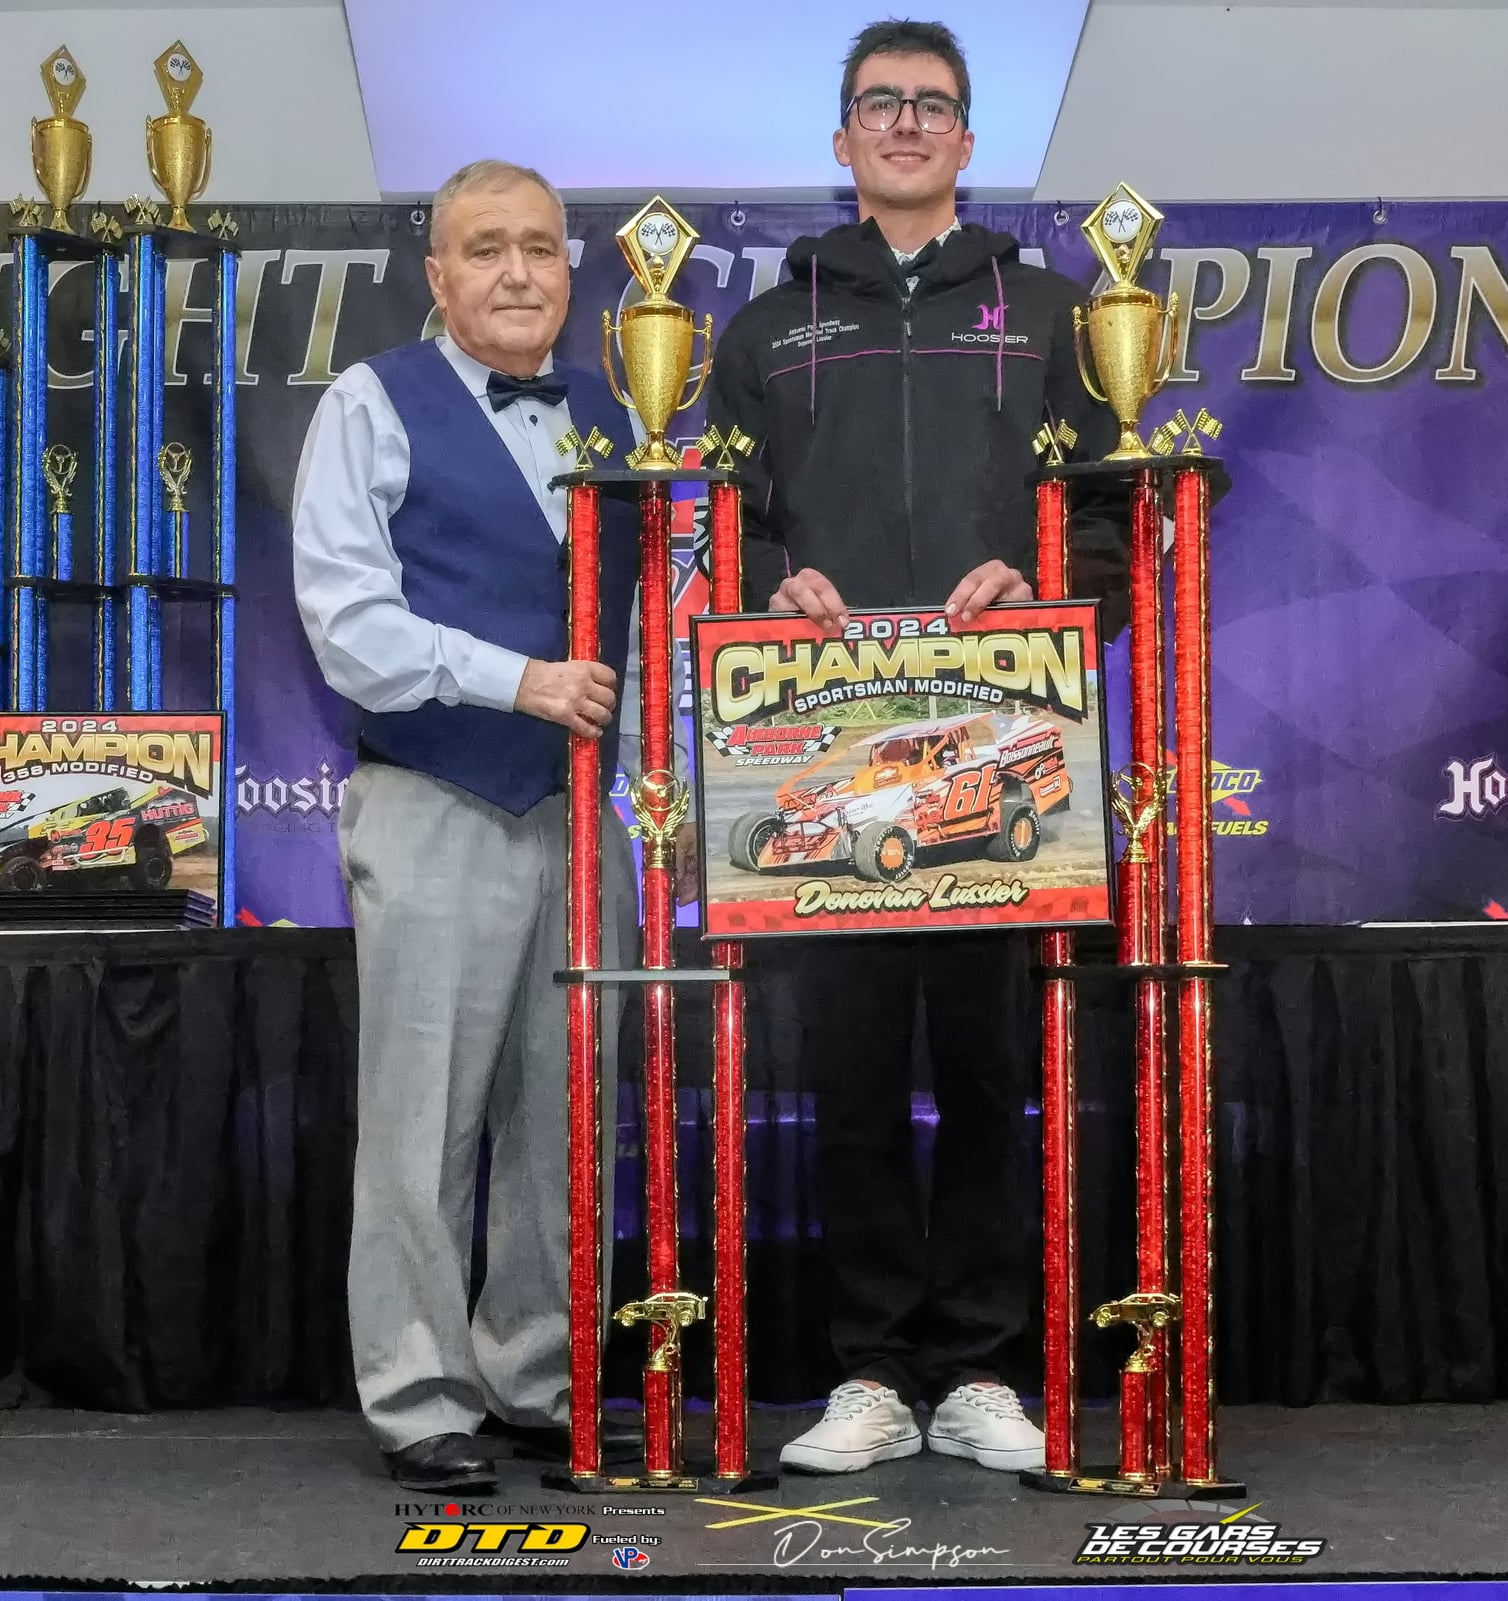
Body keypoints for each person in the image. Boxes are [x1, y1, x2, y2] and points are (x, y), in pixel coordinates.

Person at [706, 19, 1126, 1475]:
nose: (903, 124)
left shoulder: (1059, 311)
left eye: (930, 105)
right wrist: (766, 586)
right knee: (859, 1075)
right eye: (877, 105)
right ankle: (876, 1370)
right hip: (831, 766)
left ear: (965, 139)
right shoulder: (763, 331)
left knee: (997, 1067)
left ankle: (986, 1369)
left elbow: (1126, 529)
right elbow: (719, 532)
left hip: (1003, 752)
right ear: (840, 142)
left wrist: (1051, 582)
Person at [292, 158, 639, 1494]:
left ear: (572, 270)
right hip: (434, 798)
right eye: (484, 248)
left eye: (540, 248)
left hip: (584, 815)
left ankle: (539, 1377)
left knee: (565, 1122)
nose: (515, 271)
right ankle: (420, 1390)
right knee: (420, 1119)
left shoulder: (617, 415)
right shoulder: (371, 403)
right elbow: (349, 626)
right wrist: (523, 678)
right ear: (435, 276)